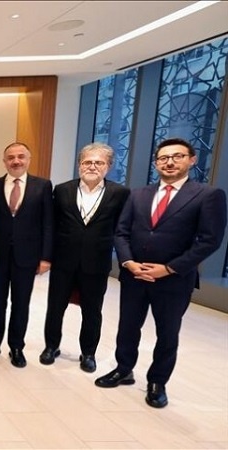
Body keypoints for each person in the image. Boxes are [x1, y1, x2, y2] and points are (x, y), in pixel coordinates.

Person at [95, 138, 227, 409]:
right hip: (134, 275)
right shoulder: (138, 194)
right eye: (163, 158)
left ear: (192, 160)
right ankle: (124, 369)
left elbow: (209, 240)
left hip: (174, 279)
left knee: (167, 333)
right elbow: (121, 232)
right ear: (156, 163)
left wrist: (169, 268)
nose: (169, 162)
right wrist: (129, 262)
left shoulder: (207, 195)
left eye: (177, 156)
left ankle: (157, 382)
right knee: (128, 327)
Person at [40, 143, 129, 373]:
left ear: (108, 166)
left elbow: (122, 229)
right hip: (63, 262)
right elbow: (51, 225)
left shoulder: (120, 193)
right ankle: (51, 347)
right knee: (55, 307)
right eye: (87, 162)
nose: (92, 166)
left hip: (96, 263)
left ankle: (88, 353)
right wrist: (46, 257)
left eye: (99, 162)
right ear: (79, 164)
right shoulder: (62, 190)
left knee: (92, 311)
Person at [0, 142, 53, 368]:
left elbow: (48, 223)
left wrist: (46, 257)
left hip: (27, 257)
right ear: (4, 162)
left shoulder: (42, 186)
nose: (16, 161)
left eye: (21, 156)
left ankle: (17, 346)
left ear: (28, 160)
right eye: (11, 157)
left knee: (21, 304)